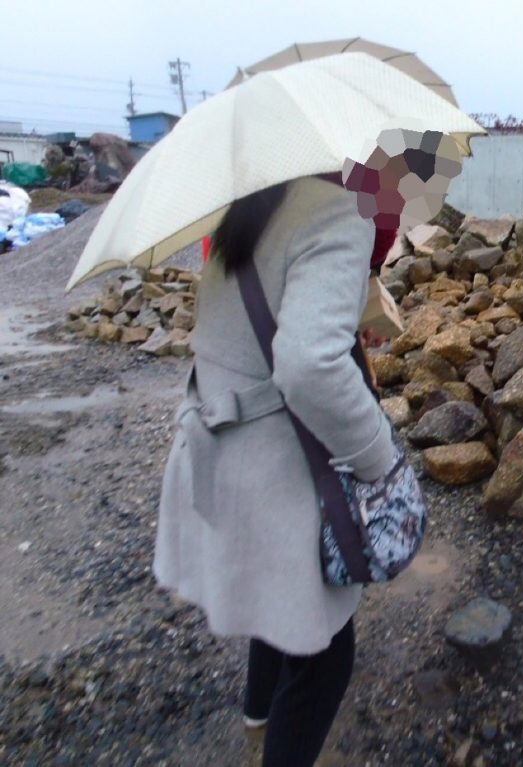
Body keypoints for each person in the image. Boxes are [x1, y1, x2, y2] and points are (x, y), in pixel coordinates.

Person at [154, 174, 396, 766]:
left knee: (278, 596)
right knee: (324, 658)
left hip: (219, 446)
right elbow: (309, 365)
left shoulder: (244, 207)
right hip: (278, 469)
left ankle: (258, 712)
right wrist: (378, 460)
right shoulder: (343, 207)